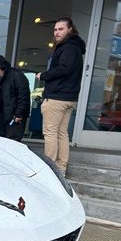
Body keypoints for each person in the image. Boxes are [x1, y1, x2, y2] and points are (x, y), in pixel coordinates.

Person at [36, 17, 86, 174]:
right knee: (62, 133)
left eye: (61, 29)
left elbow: (63, 69)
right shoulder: (75, 48)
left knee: (50, 133)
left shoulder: (67, 47)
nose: (57, 32)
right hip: (68, 98)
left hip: (57, 97)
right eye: (55, 29)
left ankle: (50, 171)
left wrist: (43, 75)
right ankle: (61, 169)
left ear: (70, 29)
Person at [0, 54, 31, 141]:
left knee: (12, 143)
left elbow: (24, 96)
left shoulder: (17, 76)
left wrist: (19, 114)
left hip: (14, 118)